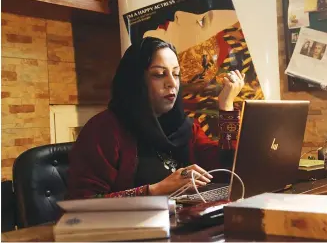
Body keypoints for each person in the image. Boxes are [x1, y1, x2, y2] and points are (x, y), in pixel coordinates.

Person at [66, 37, 245, 199]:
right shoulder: (104, 129)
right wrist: (156, 189)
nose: (172, 83)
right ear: (135, 81)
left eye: (176, 74)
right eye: (159, 75)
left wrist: (227, 107)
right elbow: (83, 202)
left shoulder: (183, 127)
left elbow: (226, 170)